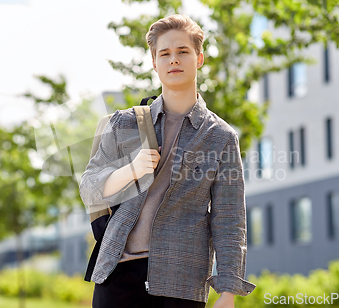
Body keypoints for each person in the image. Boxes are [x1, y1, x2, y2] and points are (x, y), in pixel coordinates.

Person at [79, 14, 256, 308]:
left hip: (181, 280)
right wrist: (131, 171)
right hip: (117, 274)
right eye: (165, 54)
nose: (174, 59)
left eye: (182, 51)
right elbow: (89, 188)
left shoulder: (220, 137)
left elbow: (229, 218)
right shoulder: (124, 123)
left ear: (199, 58)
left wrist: (228, 292)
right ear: (155, 63)